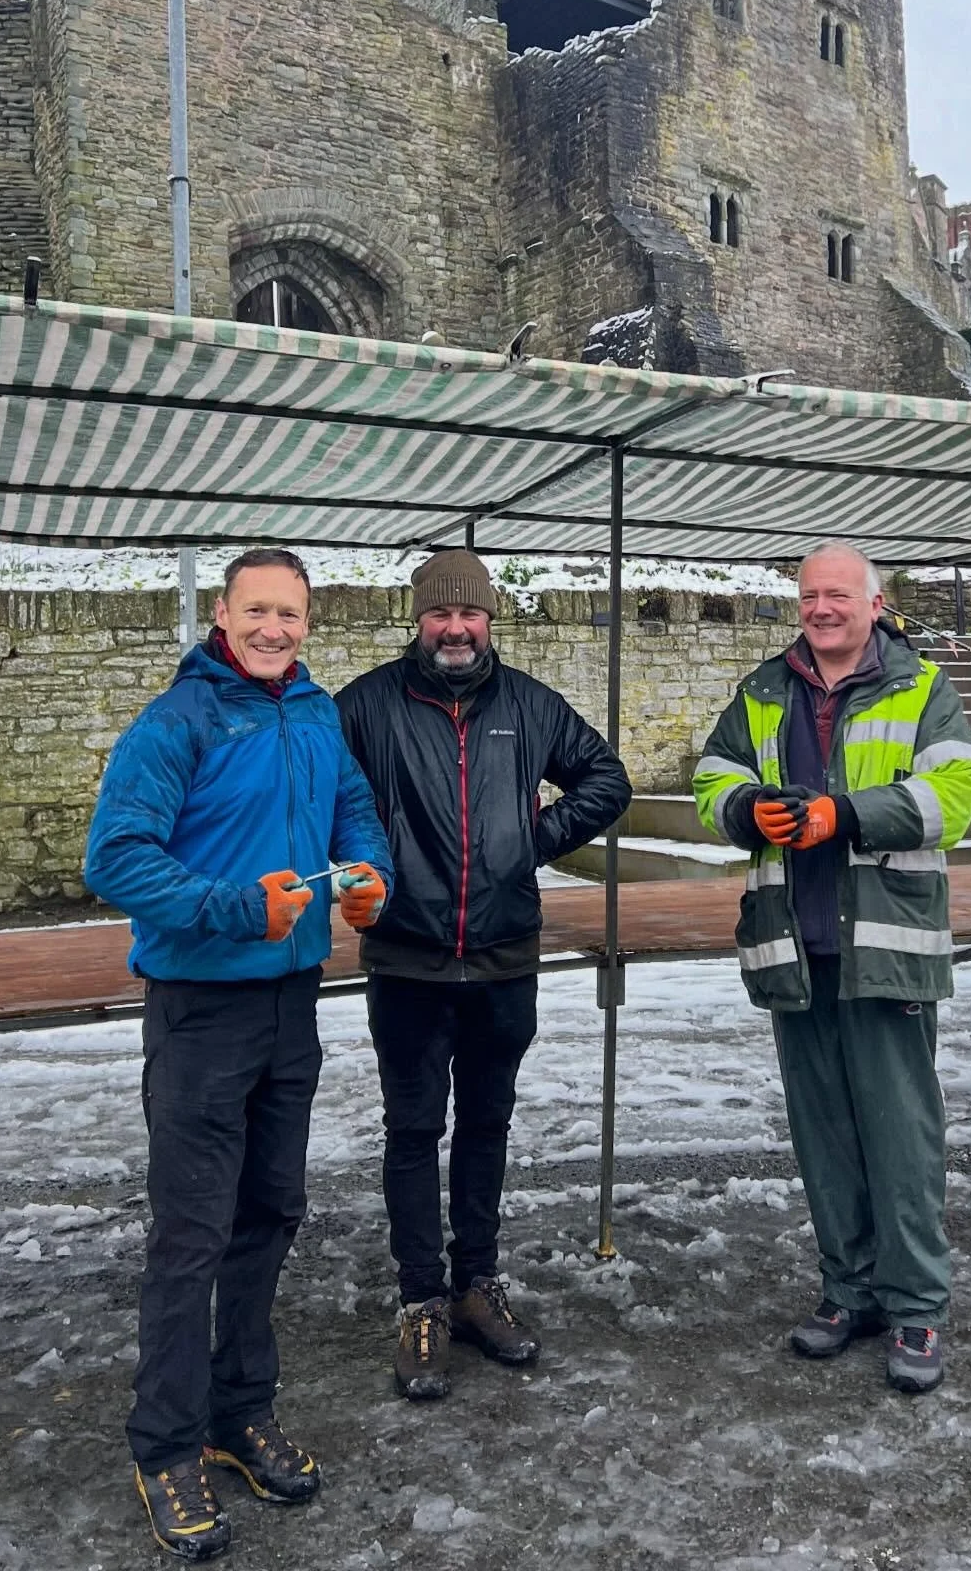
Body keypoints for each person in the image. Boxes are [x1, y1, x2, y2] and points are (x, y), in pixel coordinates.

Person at [85, 548, 393, 1561]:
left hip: (291, 1002)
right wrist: (231, 908)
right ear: (223, 613)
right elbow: (116, 857)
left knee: (269, 1213)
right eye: (257, 610)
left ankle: (237, 1412)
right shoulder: (177, 721)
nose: (274, 628)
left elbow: (353, 811)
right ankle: (165, 1444)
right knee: (191, 1235)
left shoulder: (312, 712)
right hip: (200, 1008)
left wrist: (366, 877)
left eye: (290, 613)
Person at [335, 548, 632, 1402]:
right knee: (412, 1126)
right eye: (440, 615)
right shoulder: (367, 705)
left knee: (488, 1123)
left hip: (504, 956)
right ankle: (420, 1297)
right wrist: (365, 863)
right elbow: (319, 794)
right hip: (409, 955)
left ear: (490, 620)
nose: (456, 629)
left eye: (470, 615)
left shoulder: (529, 705)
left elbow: (604, 778)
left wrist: (529, 839)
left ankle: (478, 1284)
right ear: (417, 620)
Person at [693, 541, 971, 1394]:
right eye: (810, 596)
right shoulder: (763, 689)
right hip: (797, 945)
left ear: (875, 601)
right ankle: (847, 1290)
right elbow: (711, 777)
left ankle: (916, 1306)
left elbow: (955, 794)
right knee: (822, 1134)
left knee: (901, 1135)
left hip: (886, 949)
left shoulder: (922, 686)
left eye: (838, 596)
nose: (822, 609)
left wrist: (844, 815)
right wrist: (748, 808)